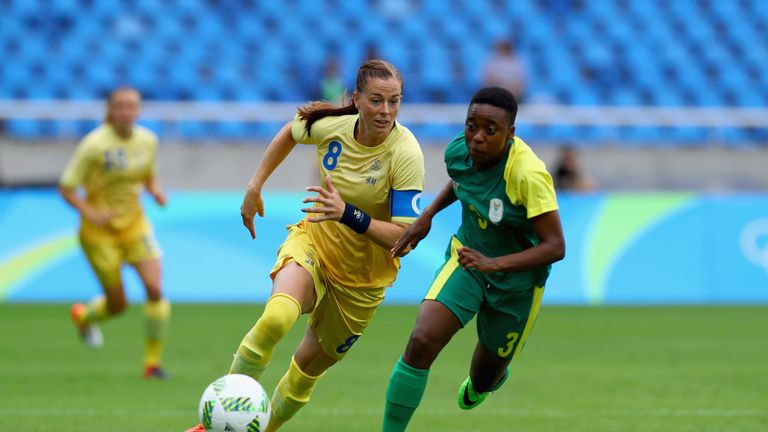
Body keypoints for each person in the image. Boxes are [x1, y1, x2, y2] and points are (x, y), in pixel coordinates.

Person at [186, 59, 424, 432]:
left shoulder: (406, 153)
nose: (386, 111)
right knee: (276, 318)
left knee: (302, 376)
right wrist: (255, 185)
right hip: (313, 245)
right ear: (357, 99)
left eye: (394, 101)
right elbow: (290, 131)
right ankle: (214, 424)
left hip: (361, 284)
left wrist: (347, 214)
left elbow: (404, 239)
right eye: (376, 100)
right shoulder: (332, 127)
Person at [382, 87, 565, 431]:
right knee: (421, 340)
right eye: (471, 126)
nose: (477, 137)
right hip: (467, 260)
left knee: (483, 378)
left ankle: (489, 379)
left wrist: (495, 264)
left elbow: (555, 246)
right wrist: (428, 214)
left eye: (490, 130)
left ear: (510, 134)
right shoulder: (460, 151)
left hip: (517, 285)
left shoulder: (528, 175)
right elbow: (461, 180)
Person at [59, 87, 170, 379]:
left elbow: (147, 175)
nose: (126, 111)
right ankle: (84, 316)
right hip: (99, 234)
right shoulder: (93, 145)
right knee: (118, 305)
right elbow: (66, 188)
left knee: (155, 289)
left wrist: (156, 191)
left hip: (135, 226)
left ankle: (152, 364)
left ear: (139, 110)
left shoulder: (148, 140)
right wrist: (91, 213)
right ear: (110, 110)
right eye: (120, 106)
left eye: (132, 105)